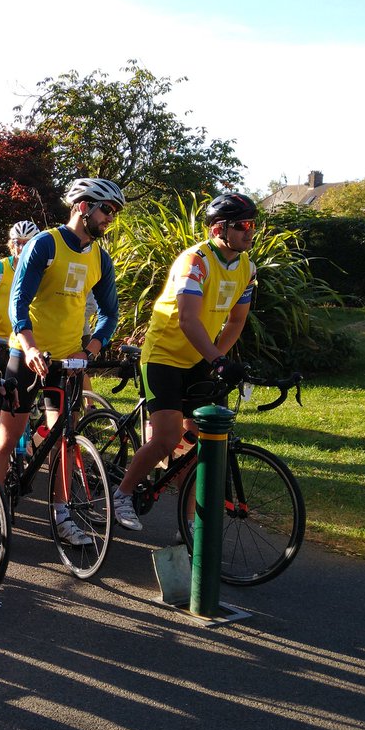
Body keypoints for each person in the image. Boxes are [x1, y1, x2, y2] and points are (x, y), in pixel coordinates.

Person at [0, 179, 123, 547]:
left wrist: (89, 350)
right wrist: (28, 347)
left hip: (67, 362)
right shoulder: (46, 244)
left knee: (65, 438)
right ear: (82, 206)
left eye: (114, 212)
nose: (111, 218)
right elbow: (18, 301)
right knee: (7, 435)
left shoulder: (99, 258)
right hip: (27, 355)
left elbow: (110, 314)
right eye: (107, 209)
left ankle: (62, 514)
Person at [109, 192, 259, 530]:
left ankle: (190, 526)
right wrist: (218, 359)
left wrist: (215, 360)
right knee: (166, 437)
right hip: (164, 356)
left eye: (253, 225)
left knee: (201, 444)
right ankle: (123, 493)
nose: (251, 232)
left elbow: (236, 322)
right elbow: (188, 320)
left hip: (198, 359)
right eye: (244, 225)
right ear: (219, 229)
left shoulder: (247, 268)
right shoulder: (196, 261)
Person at [0, 220, 39, 370]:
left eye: (26, 244)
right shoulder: (0, 268)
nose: (21, 248)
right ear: (11, 244)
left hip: (26, 338)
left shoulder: (41, 270)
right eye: (17, 243)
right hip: (0, 339)